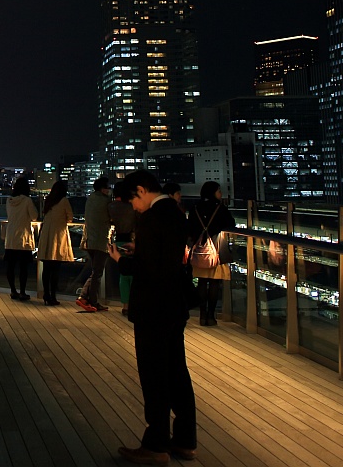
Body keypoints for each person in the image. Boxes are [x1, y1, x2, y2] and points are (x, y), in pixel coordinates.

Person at [107, 170, 197, 464]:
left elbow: (148, 270)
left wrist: (123, 260)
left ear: (142, 191)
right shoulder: (174, 211)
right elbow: (166, 258)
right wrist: (141, 249)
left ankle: (156, 445)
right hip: (174, 305)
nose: (132, 207)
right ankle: (185, 441)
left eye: (132, 200)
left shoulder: (151, 219)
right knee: (177, 373)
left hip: (153, 308)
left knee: (154, 375)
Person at [187, 181, 236, 326]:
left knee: (202, 282)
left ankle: (202, 315)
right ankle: (211, 316)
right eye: (219, 191)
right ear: (213, 192)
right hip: (216, 250)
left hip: (200, 250)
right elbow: (230, 224)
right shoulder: (220, 208)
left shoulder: (195, 207)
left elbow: (190, 227)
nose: (220, 194)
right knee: (214, 283)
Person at [36, 180, 74, 306]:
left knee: (46, 268)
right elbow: (70, 217)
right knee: (56, 268)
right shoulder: (64, 201)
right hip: (58, 236)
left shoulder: (48, 201)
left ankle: (45, 294)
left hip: (46, 235)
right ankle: (53, 295)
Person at [78, 175, 112, 311]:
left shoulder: (90, 199)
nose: (109, 190)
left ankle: (87, 298)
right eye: (108, 187)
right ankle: (88, 299)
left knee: (95, 271)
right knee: (97, 273)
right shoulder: (106, 201)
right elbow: (111, 217)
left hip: (89, 240)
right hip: (101, 240)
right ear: (103, 189)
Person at [4, 175, 37, 300]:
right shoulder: (27, 201)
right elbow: (34, 216)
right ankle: (22, 292)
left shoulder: (9, 200)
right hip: (23, 238)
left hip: (11, 236)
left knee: (10, 266)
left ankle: (13, 290)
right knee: (23, 268)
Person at [109, 179, 138, 314]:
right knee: (133, 275)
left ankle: (125, 305)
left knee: (123, 276)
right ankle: (133, 304)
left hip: (118, 241)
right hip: (131, 241)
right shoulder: (131, 207)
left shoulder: (111, 206)